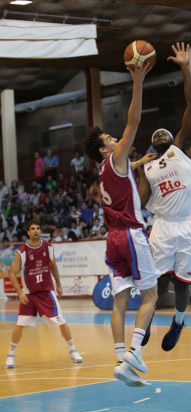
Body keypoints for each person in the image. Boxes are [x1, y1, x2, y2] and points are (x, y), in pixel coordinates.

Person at [82, 61, 159, 387]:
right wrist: (137, 81)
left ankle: (118, 359)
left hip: (112, 240)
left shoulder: (103, 171)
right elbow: (134, 120)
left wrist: (140, 162)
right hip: (130, 234)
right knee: (152, 296)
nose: (117, 139)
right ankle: (134, 353)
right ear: (104, 149)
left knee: (120, 301)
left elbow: (124, 172)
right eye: (111, 139)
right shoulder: (115, 158)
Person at [138, 42, 191, 352]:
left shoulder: (183, 147)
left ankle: (178, 322)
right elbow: (138, 203)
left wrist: (184, 67)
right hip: (164, 226)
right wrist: (134, 169)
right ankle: (146, 324)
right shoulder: (148, 167)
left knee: (182, 284)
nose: (160, 135)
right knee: (158, 283)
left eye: (164, 133)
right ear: (152, 145)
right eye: (155, 135)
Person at [5, 220, 83, 369]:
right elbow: (11, 273)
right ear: (28, 232)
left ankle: (73, 350)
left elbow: (53, 265)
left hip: (46, 292)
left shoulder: (48, 247)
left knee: (61, 321)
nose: (36, 230)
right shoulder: (22, 252)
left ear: (40, 231)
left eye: (38, 228)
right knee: (20, 324)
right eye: (33, 228)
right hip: (29, 294)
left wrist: (59, 284)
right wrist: (20, 292)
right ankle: (11, 355)